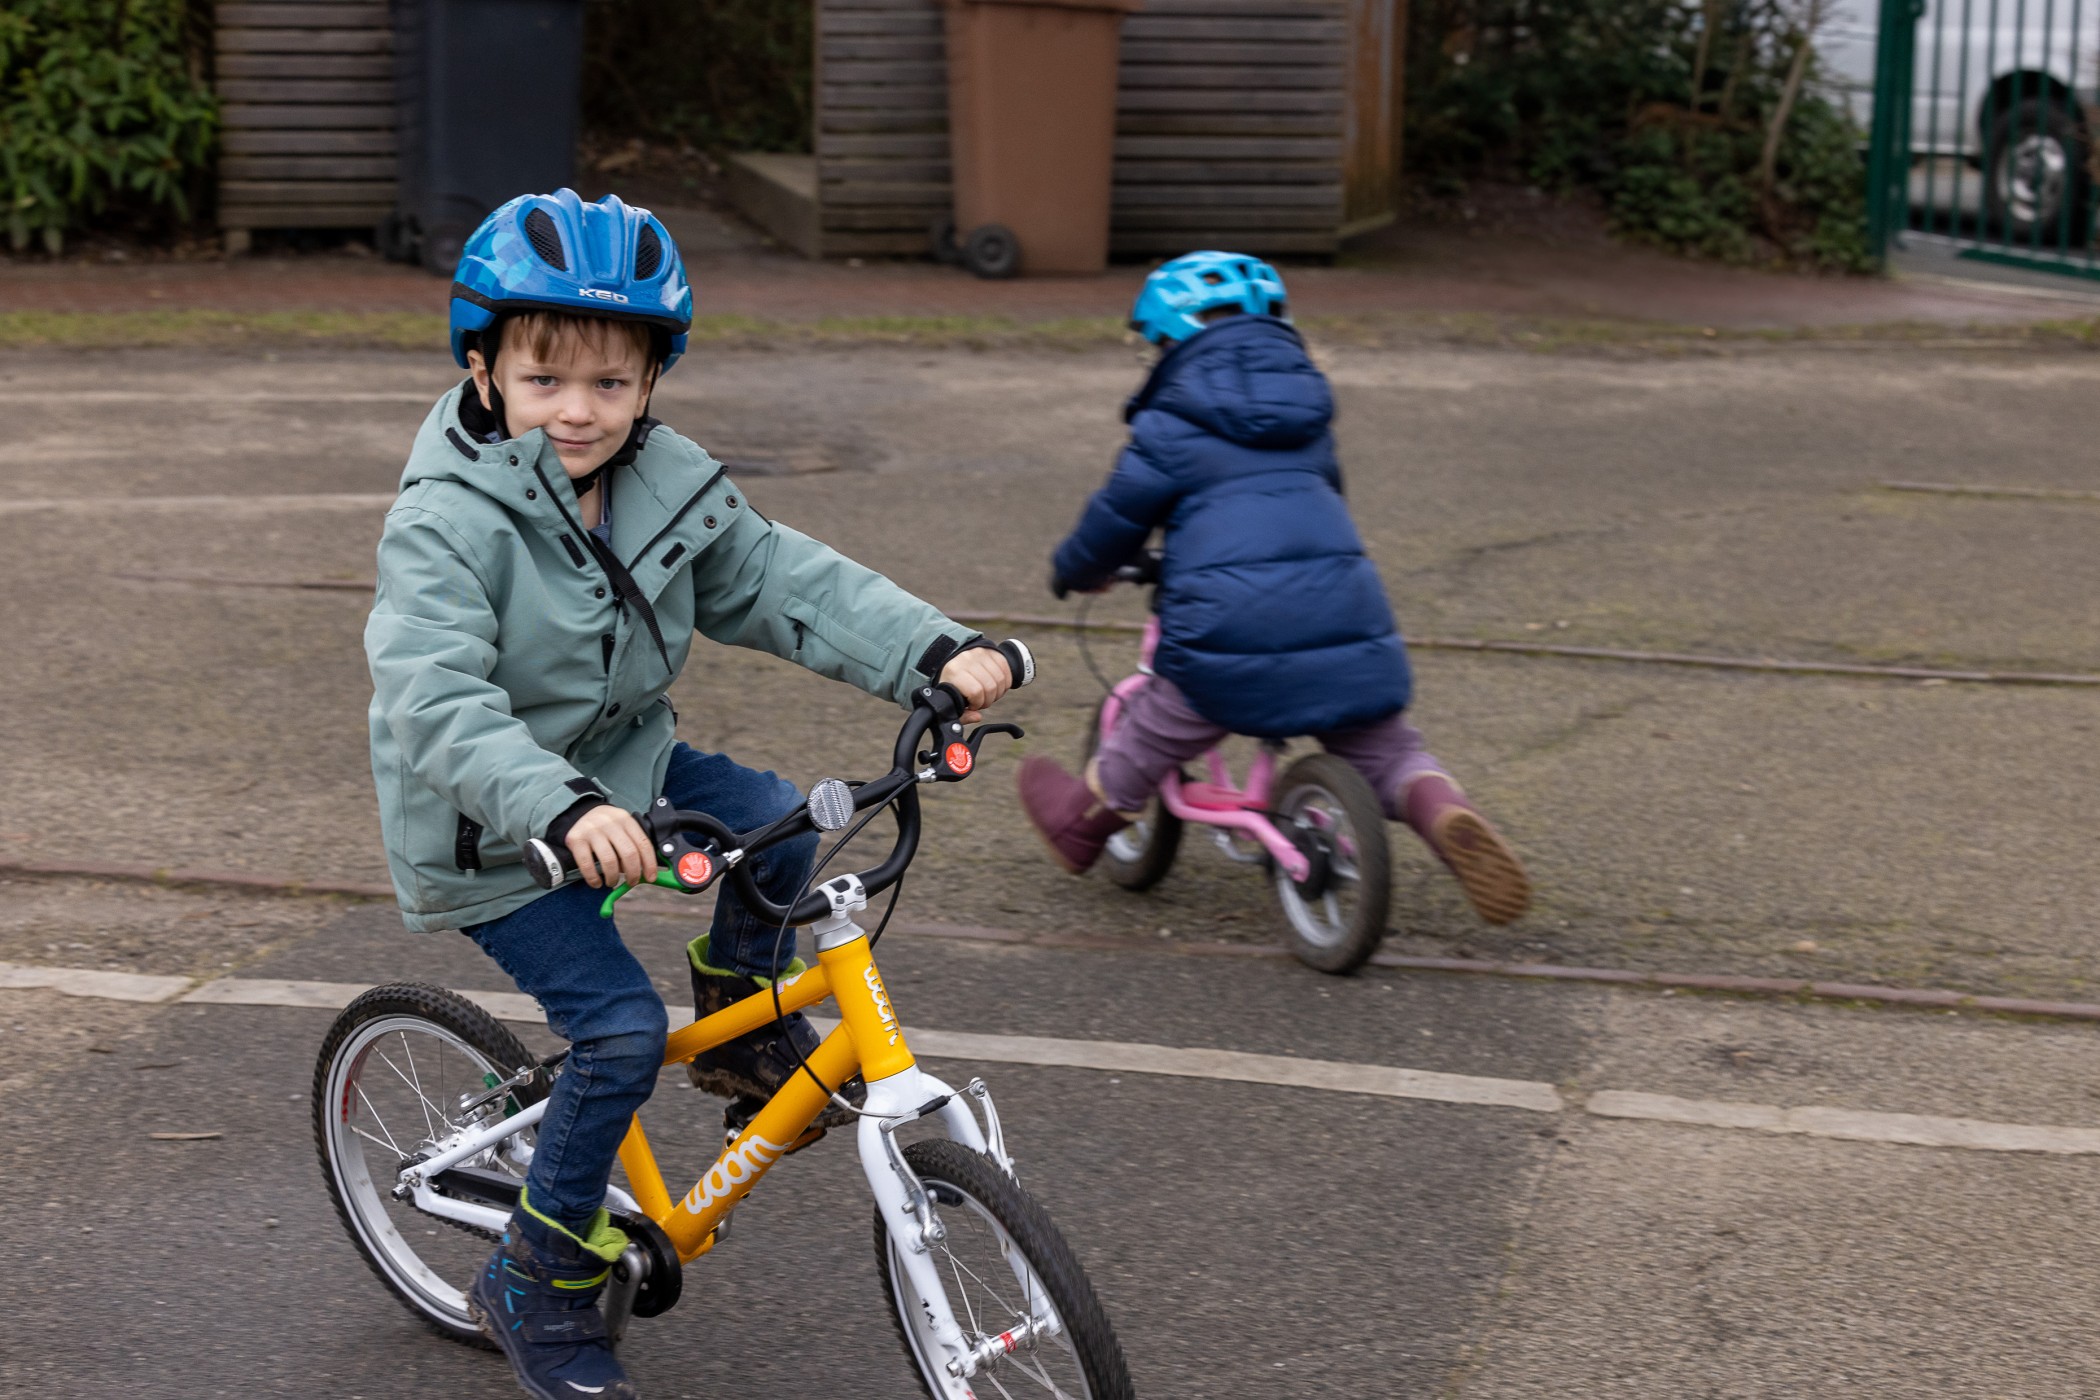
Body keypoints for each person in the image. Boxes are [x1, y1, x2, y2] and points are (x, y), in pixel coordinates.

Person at [363, 189, 1014, 1400]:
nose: (578, 409)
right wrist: (560, 808)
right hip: (497, 827)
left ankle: (740, 1019)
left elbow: (786, 583)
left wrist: (939, 649)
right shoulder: (444, 522)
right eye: (544, 377)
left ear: (651, 381)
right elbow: (434, 700)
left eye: (610, 382)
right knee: (616, 1030)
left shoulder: (658, 480)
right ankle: (533, 1275)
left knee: (783, 823)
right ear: (482, 367)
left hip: (629, 768)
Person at [1017, 251, 1530, 926]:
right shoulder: (1307, 414)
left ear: (1171, 341)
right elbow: (1326, 501)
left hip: (1230, 629)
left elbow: (1116, 520)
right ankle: (1442, 810)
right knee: (1387, 751)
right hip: (1343, 613)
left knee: (1159, 725)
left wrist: (1077, 571)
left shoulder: (1170, 422)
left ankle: (1078, 826)